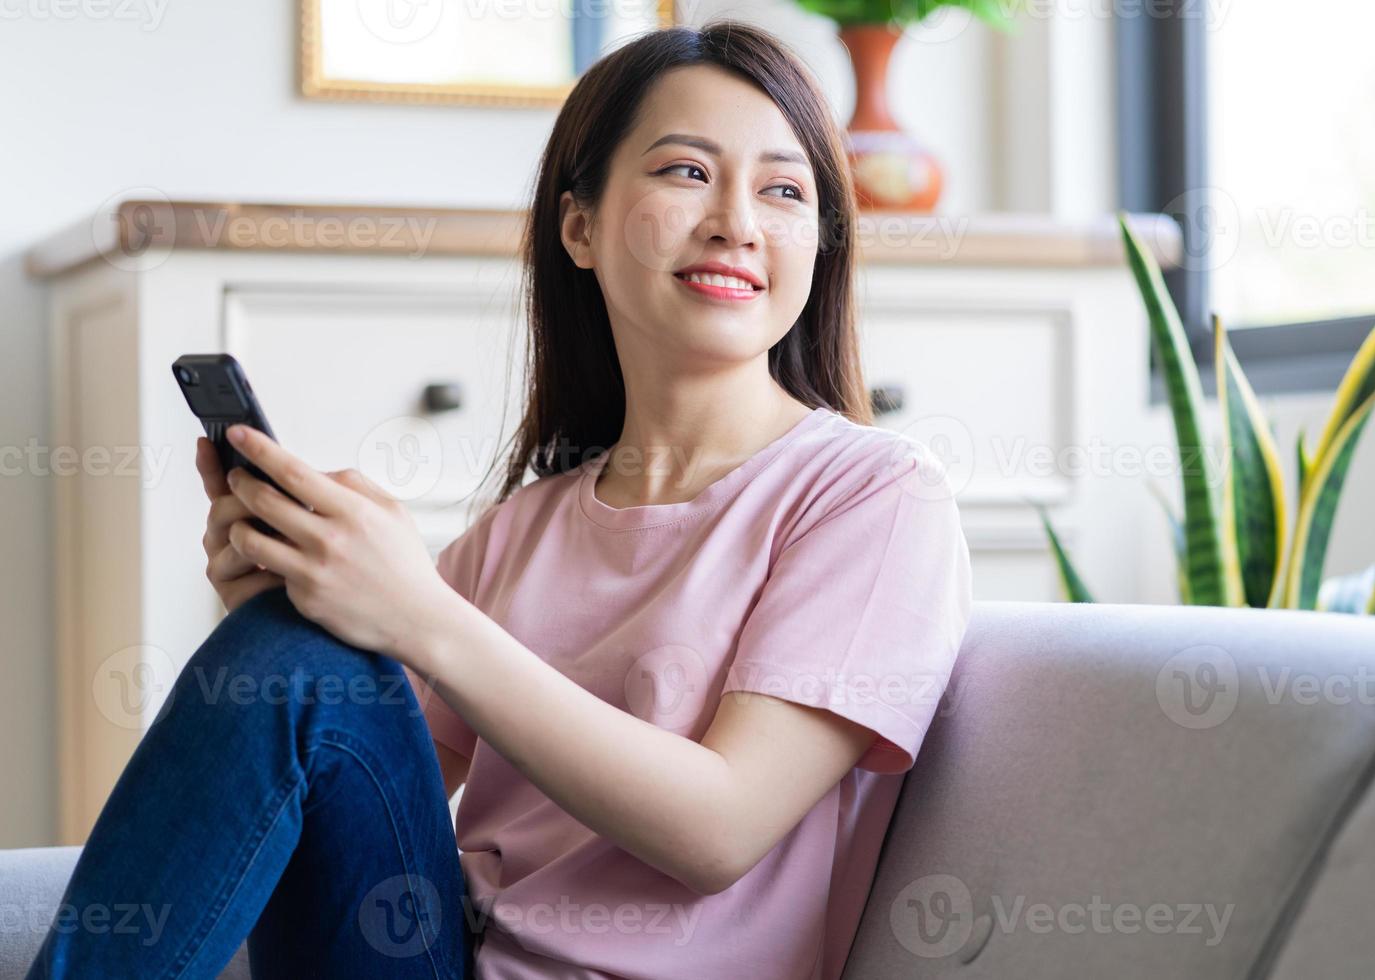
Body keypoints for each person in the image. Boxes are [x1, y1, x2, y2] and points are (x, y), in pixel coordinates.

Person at [27, 19, 973, 980]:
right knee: (290, 656)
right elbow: (357, 779)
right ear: (580, 227)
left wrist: (421, 615)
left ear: (820, 244)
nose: (737, 220)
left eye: (783, 189)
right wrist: (304, 617)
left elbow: (723, 826)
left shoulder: (874, 498)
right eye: (688, 172)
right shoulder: (526, 528)